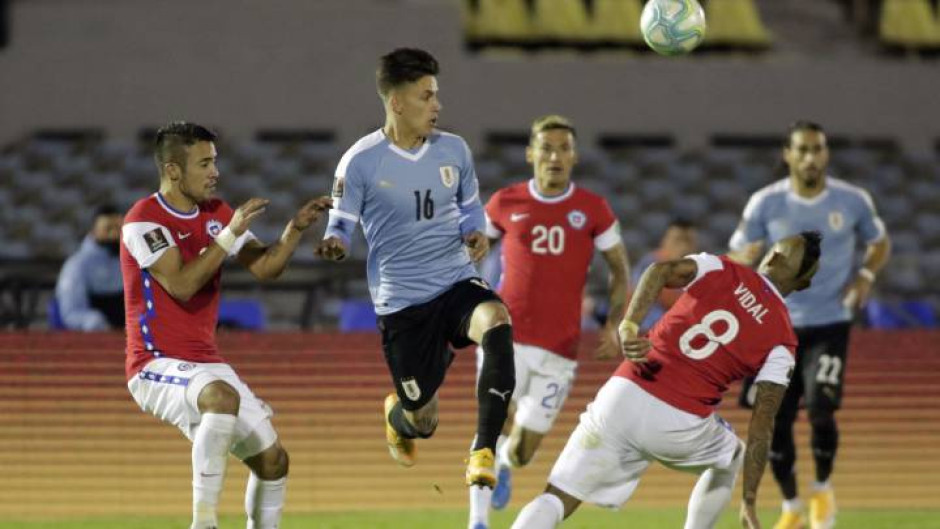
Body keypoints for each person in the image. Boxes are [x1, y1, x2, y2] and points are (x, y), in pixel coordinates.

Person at [314, 47, 516, 525]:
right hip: (403, 305)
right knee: (422, 421)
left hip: (455, 280)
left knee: (498, 320)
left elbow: (470, 208)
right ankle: (398, 416)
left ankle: (484, 451)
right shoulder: (359, 162)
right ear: (397, 102)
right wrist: (336, 245)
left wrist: (475, 232)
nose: (437, 105)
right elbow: (339, 225)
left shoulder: (454, 149)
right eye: (427, 96)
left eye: (437, 95)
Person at [511, 231, 823, 529]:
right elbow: (762, 424)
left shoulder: (719, 267)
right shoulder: (783, 342)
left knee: (556, 498)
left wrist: (629, 326)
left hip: (623, 395)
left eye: (780, 254)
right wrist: (749, 500)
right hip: (681, 425)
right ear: (805, 283)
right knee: (733, 455)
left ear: (771, 258)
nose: (776, 257)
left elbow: (659, 270)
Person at [121, 122, 331, 529]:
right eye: (204, 163)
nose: (215, 172)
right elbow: (181, 285)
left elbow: (266, 267)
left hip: (206, 363)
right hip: (153, 363)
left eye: (214, 161)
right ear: (173, 171)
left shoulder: (216, 214)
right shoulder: (142, 220)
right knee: (221, 398)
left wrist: (294, 230)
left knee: (273, 461)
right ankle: (204, 522)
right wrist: (229, 234)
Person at [728, 121, 891, 529]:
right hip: (774, 329)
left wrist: (866, 277)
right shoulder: (764, 203)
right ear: (787, 154)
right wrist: (742, 258)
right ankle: (792, 505)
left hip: (829, 324)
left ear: (826, 154)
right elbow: (739, 250)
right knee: (774, 420)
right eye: (801, 149)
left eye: (817, 149)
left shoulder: (852, 201)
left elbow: (879, 241)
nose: (809, 157)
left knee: (821, 409)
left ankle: (821, 489)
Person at [474, 114, 630, 527]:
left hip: (560, 349)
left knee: (524, 449)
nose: (554, 156)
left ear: (575, 157)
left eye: (563, 148)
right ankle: (477, 519)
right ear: (531, 154)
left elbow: (619, 267)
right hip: (504, 334)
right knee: (492, 420)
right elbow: (470, 253)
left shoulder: (593, 209)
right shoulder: (504, 202)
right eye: (546, 148)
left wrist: (614, 321)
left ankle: (506, 463)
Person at [54, 204, 125, 330]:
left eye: (118, 229)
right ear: (93, 231)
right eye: (108, 229)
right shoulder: (77, 265)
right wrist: (98, 324)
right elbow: (71, 313)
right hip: (96, 338)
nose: (114, 235)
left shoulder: (130, 260)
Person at [630, 217, 698, 331]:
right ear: (664, 241)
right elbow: (667, 299)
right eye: (677, 240)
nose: (683, 247)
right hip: (647, 332)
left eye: (688, 241)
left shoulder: (699, 268)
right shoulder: (651, 264)